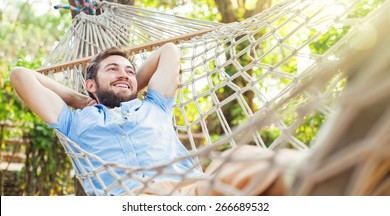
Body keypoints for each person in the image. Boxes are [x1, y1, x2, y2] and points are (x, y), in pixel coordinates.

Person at [11, 43, 295, 196]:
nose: (124, 73)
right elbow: (21, 75)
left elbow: (169, 51)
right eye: (112, 69)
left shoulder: (155, 105)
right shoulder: (73, 121)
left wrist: (128, 84)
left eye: (130, 71)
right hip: (128, 201)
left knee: (250, 159)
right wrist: (77, 99)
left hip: (190, 193)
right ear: (90, 85)